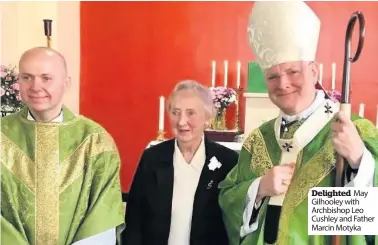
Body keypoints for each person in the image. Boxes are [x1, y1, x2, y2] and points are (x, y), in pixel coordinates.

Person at [219, 2, 378, 245]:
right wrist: (259, 188)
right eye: (273, 76)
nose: (282, 84)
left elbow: (364, 220)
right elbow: (228, 199)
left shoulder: (352, 130)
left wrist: (359, 161)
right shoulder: (259, 139)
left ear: (314, 72)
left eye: (293, 72)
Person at [1, 47, 125, 245]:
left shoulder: (94, 141)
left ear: (66, 83)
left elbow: (103, 214)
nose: (35, 86)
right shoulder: (2, 135)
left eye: (46, 78)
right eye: (27, 77)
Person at [122, 80, 239, 245]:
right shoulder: (152, 158)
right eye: (175, 112)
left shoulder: (227, 161)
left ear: (208, 116)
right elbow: (134, 219)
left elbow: (234, 222)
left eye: (190, 113)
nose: (181, 121)